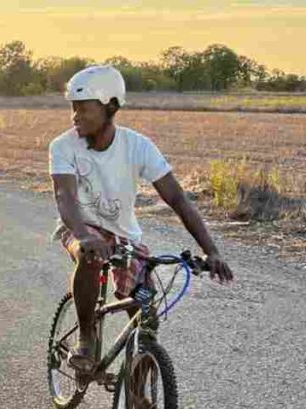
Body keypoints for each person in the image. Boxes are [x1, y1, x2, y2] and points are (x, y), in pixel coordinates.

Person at [50, 65, 234, 385]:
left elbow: (177, 198)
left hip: (123, 234)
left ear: (110, 106)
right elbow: (65, 196)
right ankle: (86, 339)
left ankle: (136, 392)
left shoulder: (138, 147)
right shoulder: (63, 146)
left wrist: (212, 251)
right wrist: (82, 236)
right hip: (80, 225)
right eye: (72, 108)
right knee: (89, 254)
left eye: (83, 108)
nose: (74, 116)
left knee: (145, 313)